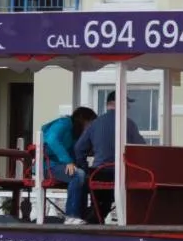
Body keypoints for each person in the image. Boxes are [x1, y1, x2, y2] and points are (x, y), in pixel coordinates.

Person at [74, 92, 146, 223]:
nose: (128, 108)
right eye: (126, 104)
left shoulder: (94, 124)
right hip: (123, 175)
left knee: (100, 205)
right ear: (114, 103)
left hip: (99, 173)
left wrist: (84, 169)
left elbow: (79, 149)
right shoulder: (128, 124)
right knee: (129, 200)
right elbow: (142, 148)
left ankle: (90, 224)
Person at [39, 106, 98, 224]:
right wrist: (68, 161)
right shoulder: (65, 123)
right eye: (90, 124)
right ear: (82, 119)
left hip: (60, 166)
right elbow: (52, 139)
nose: (91, 128)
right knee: (78, 175)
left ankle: (84, 216)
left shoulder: (76, 134)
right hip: (48, 166)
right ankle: (71, 216)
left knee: (87, 177)